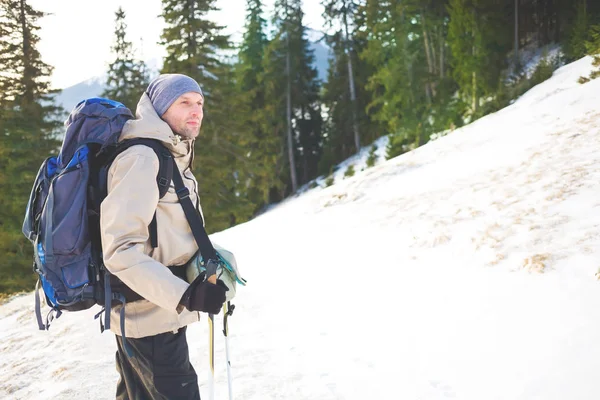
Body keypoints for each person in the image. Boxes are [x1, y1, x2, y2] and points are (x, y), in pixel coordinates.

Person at [100, 74, 228, 400]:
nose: (195, 111)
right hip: (149, 319)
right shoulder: (143, 158)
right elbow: (120, 250)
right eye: (184, 102)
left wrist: (206, 270)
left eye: (199, 103)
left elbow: (169, 235)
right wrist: (186, 295)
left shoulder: (169, 153)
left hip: (154, 313)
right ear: (159, 108)